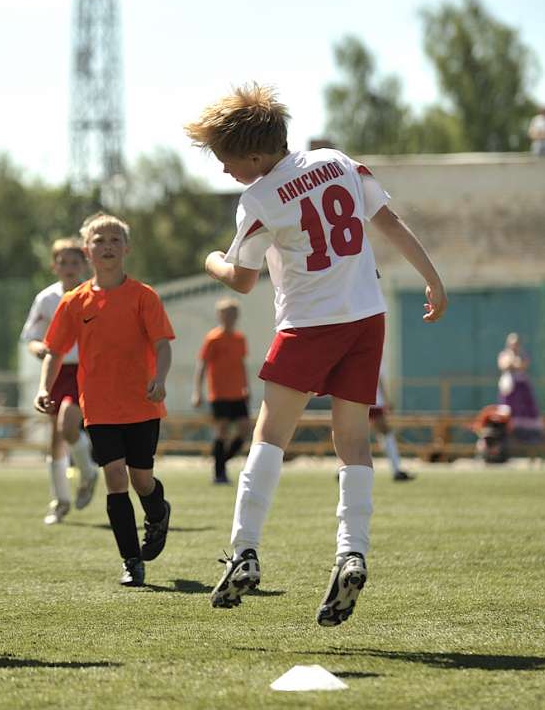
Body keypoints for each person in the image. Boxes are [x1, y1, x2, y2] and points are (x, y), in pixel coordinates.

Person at [185, 83, 447, 626]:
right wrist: (433, 279)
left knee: (269, 436)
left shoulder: (258, 198)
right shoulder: (339, 161)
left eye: (227, 160)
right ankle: (352, 551)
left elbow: (241, 279)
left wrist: (211, 259)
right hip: (367, 317)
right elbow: (389, 223)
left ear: (255, 155)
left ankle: (244, 551)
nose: (225, 170)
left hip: (308, 324)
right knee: (353, 439)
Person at [34, 213, 175, 587]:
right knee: (115, 478)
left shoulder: (144, 297)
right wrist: (44, 388)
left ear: (126, 248)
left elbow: (162, 345)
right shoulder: (74, 302)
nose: (107, 246)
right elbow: (54, 351)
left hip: (142, 404)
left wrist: (160, 378)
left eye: (115, 240)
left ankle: (158, 512)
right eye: (99, 240)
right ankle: (131, 560)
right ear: (87, 250)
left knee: (141, 480)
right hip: (98, 406)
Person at [20, 238, 99, 524]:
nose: (68, 267)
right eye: (63, 262)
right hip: (56, 371)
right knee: (56, 438)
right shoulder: (46, 299)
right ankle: (61, 502)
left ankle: (88, 472)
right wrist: (39, 349)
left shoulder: (93, 294)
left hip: (85, 371)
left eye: (74, 262)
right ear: (54, 266)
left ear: (84, 264)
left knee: (68, 424)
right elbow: (30, 337)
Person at [192, 298, 251, 484]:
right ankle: (219, 474)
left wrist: (246, 386)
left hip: (238, 393)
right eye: (226, 314)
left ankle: (220, 462)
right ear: (219, 316)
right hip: (219, 393)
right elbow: (202, 365)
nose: (230, 317)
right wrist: (197, 391)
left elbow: (242, 364)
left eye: (233, 314)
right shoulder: (213, 338)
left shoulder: (240, 339)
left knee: (245, 430)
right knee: (222, 431)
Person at [497, 333, 543, 444]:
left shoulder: (523, 355)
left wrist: (514, 364)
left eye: (516, 343)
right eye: (512, 344)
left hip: (522, 388)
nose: (514, 346)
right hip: (509, 390)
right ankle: (508, 437)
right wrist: (513, 363)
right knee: (507, 412)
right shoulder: (504, 354)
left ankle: (526, 438)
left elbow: (523, 365)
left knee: (525, 412)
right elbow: (504, 365)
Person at [370, 367, 413, 481]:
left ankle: (342, 470)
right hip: (373, 401)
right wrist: (386, 401)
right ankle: (396, 469)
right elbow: (378, 379)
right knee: (386, 433)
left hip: (359, 400)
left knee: (353, 435)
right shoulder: (374, 351)